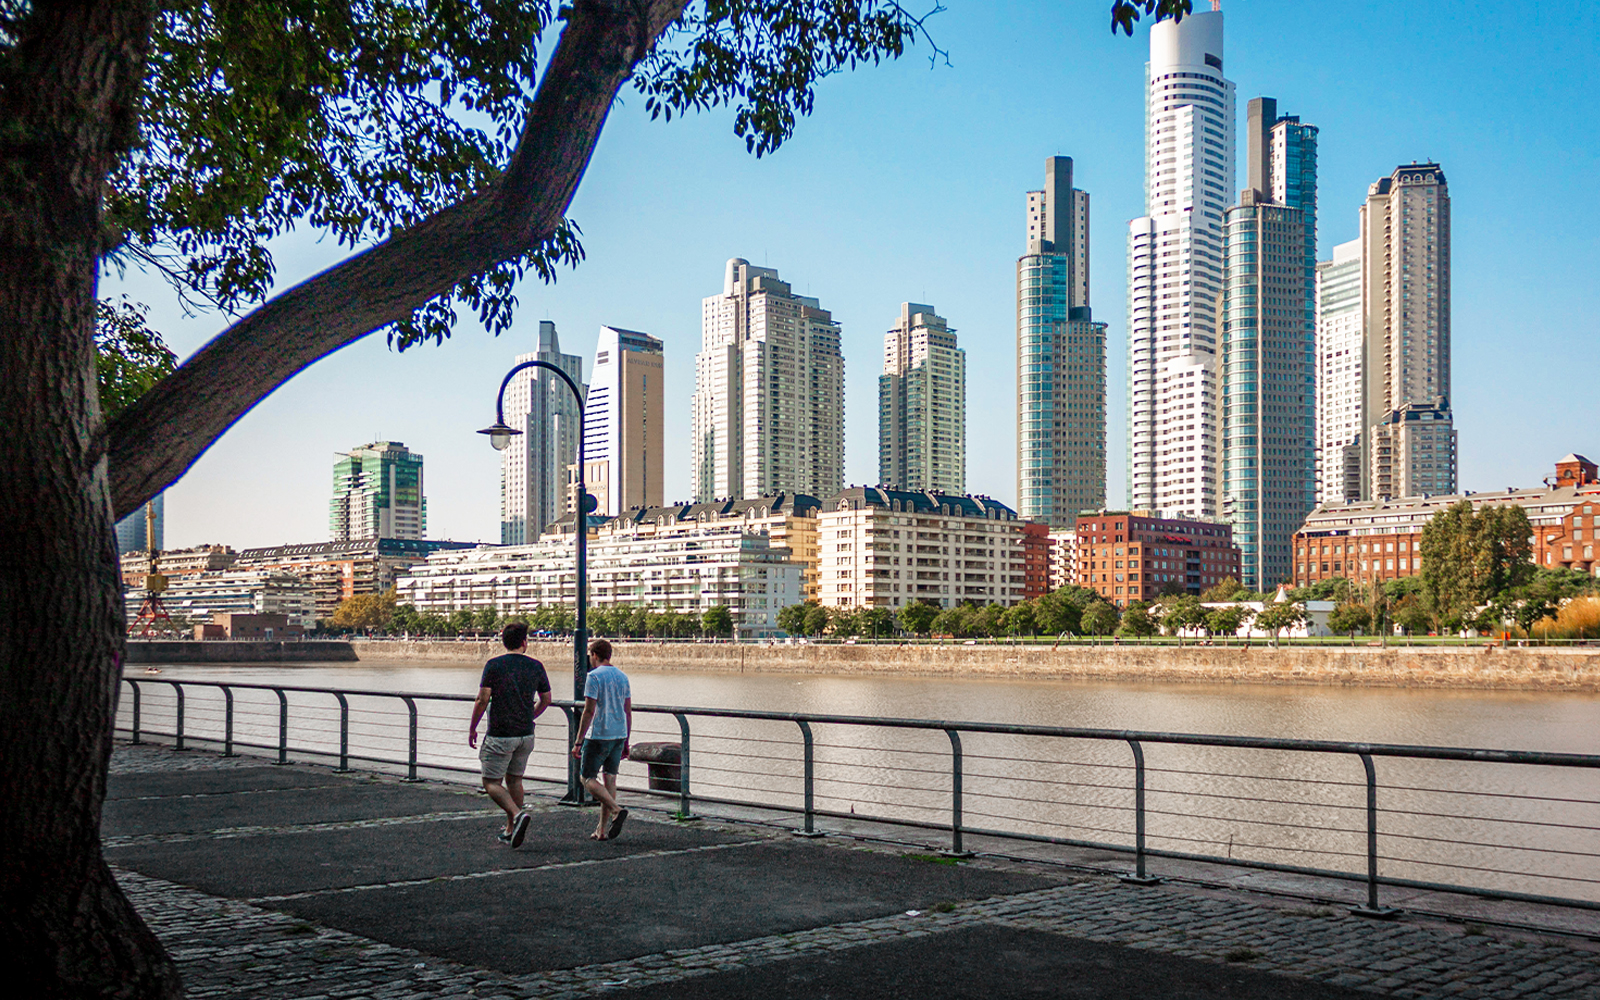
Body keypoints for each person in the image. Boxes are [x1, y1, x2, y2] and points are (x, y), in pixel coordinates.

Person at [469, 621, 552, 847]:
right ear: (524, 642)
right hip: (526, 735)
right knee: (515, 780)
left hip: (500, 734)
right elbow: (546, 699)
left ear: (504, 642)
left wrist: (473, 726)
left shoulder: (494, 665)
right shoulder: (536, 666)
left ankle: (517, 815)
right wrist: (530, 716)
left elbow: (482, 699)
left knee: (491, 782)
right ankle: (510, 829)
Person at [570, 638, 632, 840]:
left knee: (586, 778)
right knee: (610, 779)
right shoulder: (622, 677)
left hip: (599, 734)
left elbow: (588, 710)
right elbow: (627, 711)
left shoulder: (594, 677)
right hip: (619, 734)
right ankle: (602, 830)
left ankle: (616, 810)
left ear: (594, 655)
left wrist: (578, 740)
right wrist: (627, 739)